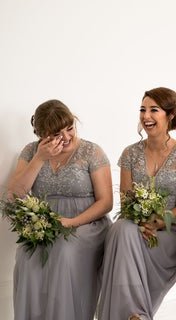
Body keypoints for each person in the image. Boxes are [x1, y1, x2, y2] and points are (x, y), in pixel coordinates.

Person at [98, 87, 176, 320]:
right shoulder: (130, 153)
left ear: (170, 115)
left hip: (171, 229)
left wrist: (156, 223)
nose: (146, 116)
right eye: (143, 110)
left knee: (125, 233)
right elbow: (126, 201)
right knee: (121, 229)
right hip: (134, 226)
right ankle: (134, 315)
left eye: (154, 110)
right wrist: (142, 223)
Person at [7, 99, 112, 320]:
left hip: (86, 223)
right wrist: (39, 158)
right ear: (41, 135)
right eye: (56, 134)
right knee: (27, 256)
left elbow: (106, 202)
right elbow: (15, 195)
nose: (66, 137)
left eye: (70, 128)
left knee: (65, 252)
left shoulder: (92, 152)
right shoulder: (31, 152)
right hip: (45, 224)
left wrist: (70, 222)